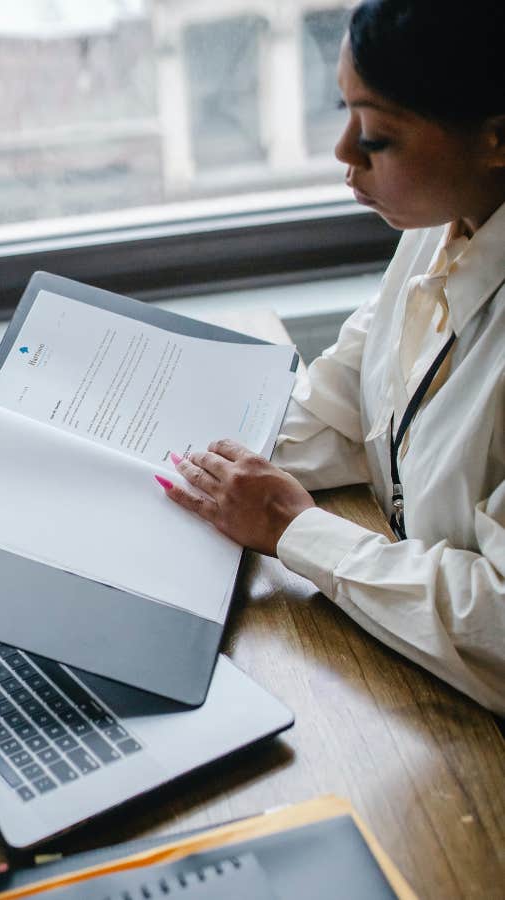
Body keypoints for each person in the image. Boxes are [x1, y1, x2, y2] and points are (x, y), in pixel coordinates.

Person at [157, 0, 505, 714]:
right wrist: (162, 455)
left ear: (496, 139)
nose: (343, 153)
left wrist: (295, 530)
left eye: (375, 134)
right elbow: (348, 400)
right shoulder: (443, 224)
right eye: (344, 109)